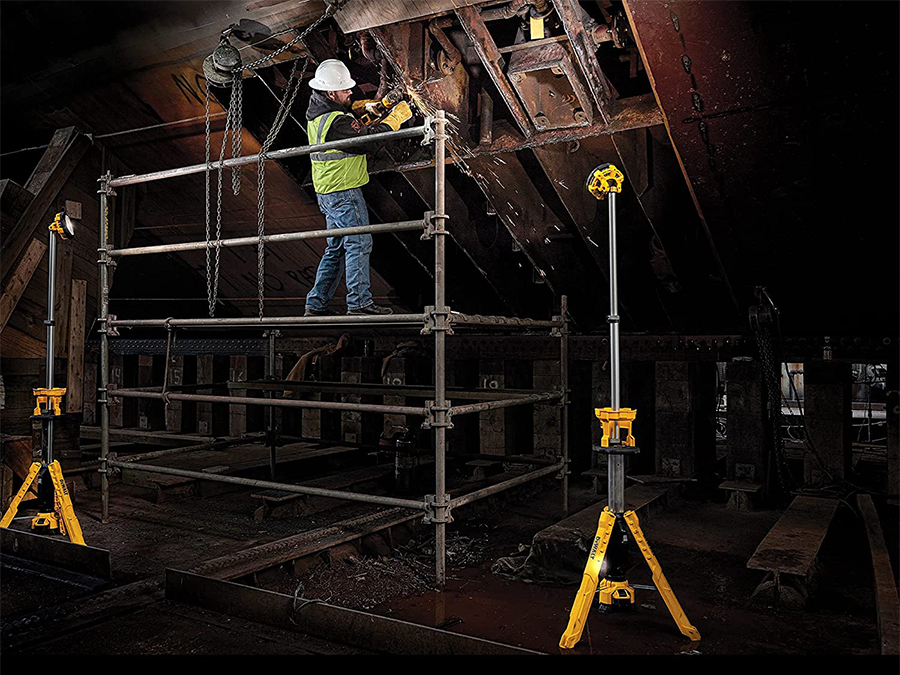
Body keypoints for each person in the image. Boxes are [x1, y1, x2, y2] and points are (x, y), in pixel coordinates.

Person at [303, 59, 412, 316]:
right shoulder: (337, 122)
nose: (350, 92)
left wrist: (375, 107)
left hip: (327, 192)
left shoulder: (319, 113)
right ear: (331, 92)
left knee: (336, 248)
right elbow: (368, 142)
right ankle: (360, 303)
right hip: (345, 191)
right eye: (345, 89)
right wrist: (394, 119)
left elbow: (349, 121)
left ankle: (315, 304)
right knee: (359, 243)